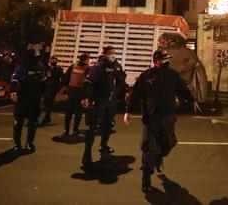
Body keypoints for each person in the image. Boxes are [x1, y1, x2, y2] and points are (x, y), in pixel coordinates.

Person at [124, 49, 201, 193]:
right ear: (156, 60)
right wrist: (127, 111)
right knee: (149, 148)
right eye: (164, 58)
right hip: (151, 119)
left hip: (168, 118)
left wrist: (192, 100)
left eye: (168, 58)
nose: (167, 61)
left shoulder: (172, 75)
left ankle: (159, 156)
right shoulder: (147, 76)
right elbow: (134, 94)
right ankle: (146, 177)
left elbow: (182, 89)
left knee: (169, 143)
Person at [81, 52, 117, 166]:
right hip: (96, 102)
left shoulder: (113, 69)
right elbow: (87, 83)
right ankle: (87, 154)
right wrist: (86, 97)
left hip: (108, 103)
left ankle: (103, 145)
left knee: (109, 124)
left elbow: (116, 83)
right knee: (93, 128)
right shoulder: (96, 69)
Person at [9, 50, 47, 152]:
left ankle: (29, 143)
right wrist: (13, 91)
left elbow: (43, 82)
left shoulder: (40, 66)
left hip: (34, 99)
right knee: (18, 122)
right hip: (22, 98)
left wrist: (42, 95)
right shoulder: (22, 66)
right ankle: (17, 143)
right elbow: (14, 79)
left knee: (33, 122)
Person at [62, 53, 90, 136]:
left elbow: (66, 77)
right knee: (78, 112)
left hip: (71, 91)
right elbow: (88, 82)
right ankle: (75, 130)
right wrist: (86, 95)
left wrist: (65, 88)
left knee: (69, 112)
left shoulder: (73, 66)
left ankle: (66, 130)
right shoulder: (87, 68)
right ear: (86, 60)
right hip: (80, 92)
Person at [102, 46, 127, 136]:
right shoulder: (100, 65)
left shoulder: (117, 65)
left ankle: (108, 127)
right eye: (110, 53)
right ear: (105, 54)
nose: (112, 55)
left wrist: (123, 90)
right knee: (101, 113)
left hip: (112, 94)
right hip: (101, 94)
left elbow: (121, 79)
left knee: (111, 111)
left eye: (114, 53)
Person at [40, 55, 64, 125]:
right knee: (46, 102)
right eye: (51, 59)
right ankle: (47, 117)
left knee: (49, 102)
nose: (52, 61)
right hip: (46, 86)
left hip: (53, 87)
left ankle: (47, 117)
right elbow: (44, 76)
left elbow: (62, 77)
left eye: (54, 60)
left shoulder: (59, 69)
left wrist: (62, 86)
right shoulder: (47, 68)